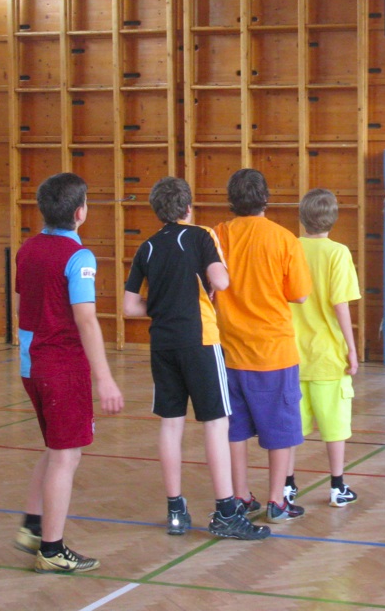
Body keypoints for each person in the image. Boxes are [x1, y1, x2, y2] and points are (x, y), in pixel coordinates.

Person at [122, 176, 270, 541]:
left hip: (163, 344)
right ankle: (225, 512)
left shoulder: (147, 247)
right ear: (188, 207)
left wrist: (162, 305)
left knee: (171, 424)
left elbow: (129, 306)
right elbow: (221, 281)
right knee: (216, 423)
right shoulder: (202, 235)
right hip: (200, 341)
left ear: (157, 211)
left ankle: (175, 510)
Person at [12, 172, 125, 574]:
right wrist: (104, 378)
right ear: (80, 213)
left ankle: (33, 525)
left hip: (31, 365)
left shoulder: (27, 249)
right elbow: (86, 319)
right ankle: (52, 549)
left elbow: (23, 304)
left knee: (55, 447)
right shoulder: (80, 258)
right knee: (66, 455)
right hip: (60, 367)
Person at [214, 169, 312, 523]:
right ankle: (277, 500)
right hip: (274, 352)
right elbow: (299, 294)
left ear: (231, 200)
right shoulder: (284, 239)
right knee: (281, 429)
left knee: (235, 429)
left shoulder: (217, 236)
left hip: (229, 351)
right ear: (266, 199)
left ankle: (240, 495)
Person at [285, 188, 361, 508]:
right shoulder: (338, 253)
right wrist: (352, 348)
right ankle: (337, 486)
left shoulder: (290, 248)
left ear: (302, 218)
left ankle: (287, 486)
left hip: (291, 353)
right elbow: (340, 303)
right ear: (333, 218)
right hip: (328, 355)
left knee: (291, 426)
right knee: (334, 425)